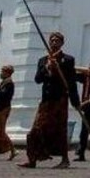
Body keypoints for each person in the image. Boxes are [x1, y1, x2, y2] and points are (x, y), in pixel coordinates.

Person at [18, 32, 80, 169]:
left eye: (57, 40)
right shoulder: (43, 60)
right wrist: (47, 68)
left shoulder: (68, 60)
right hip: (46, 100)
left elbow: (71, 82)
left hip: (60, 100)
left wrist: (76, 101)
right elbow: (37, 79)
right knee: (36, 130)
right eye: (52, 40)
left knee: (60, 129)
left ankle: (65, 159)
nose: (54, 43)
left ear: (62, 43)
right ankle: (32, 159)